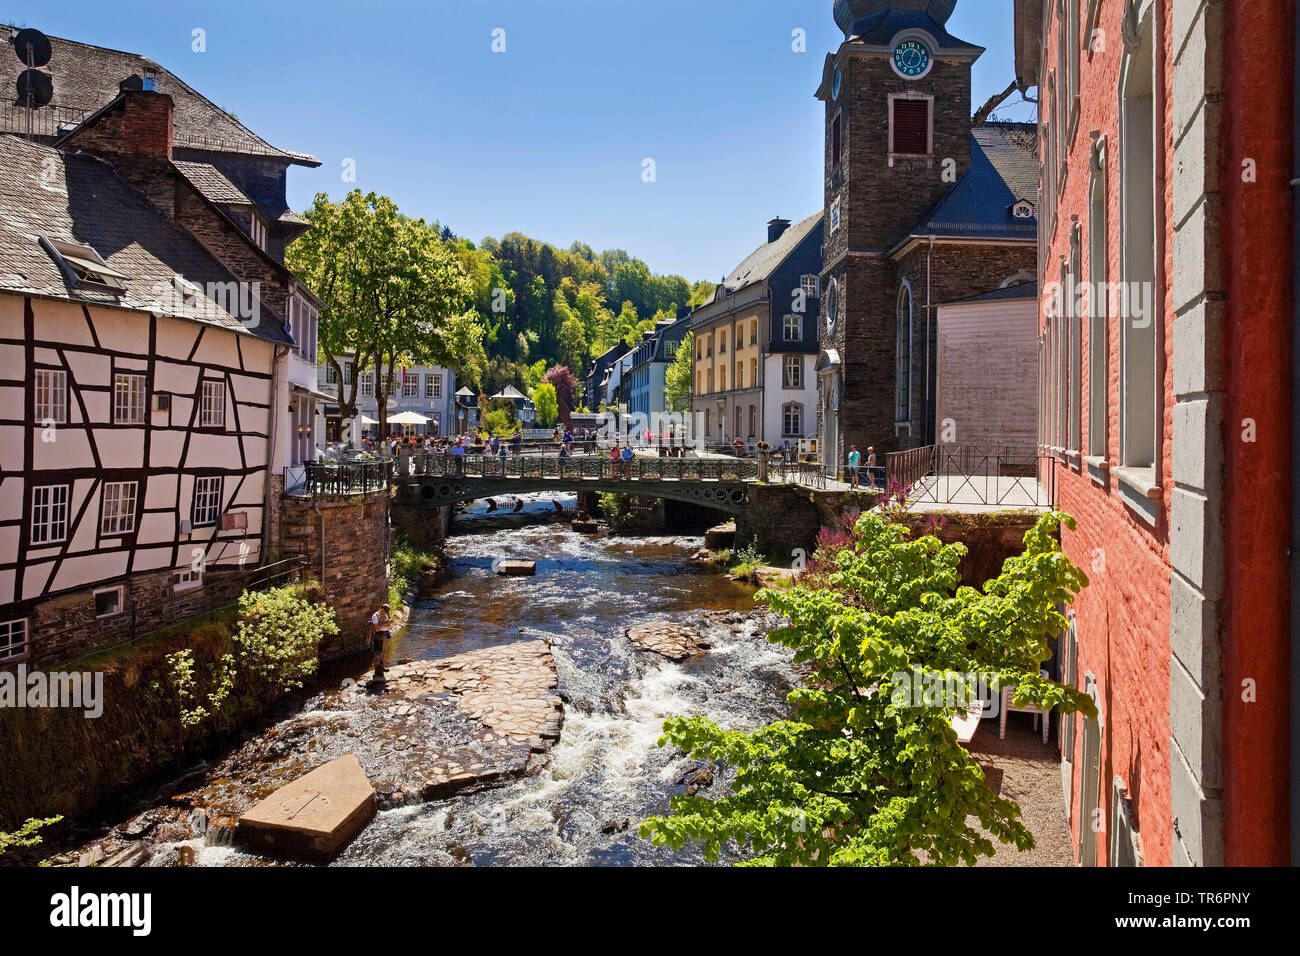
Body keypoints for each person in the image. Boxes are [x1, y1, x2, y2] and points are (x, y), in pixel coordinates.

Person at [369, 604, 393, 680]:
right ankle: (377, 670)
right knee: (377, 653)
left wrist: (389, 622)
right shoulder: (375, 616)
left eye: (386, 612)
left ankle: (381, 667)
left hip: (384, 635)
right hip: (378, 636)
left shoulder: (384, 615)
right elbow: (376, 628)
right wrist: (386, 623)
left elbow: (386, 624)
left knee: (382, 652)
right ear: (381, 609)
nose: (385, 613)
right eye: (384, 611)